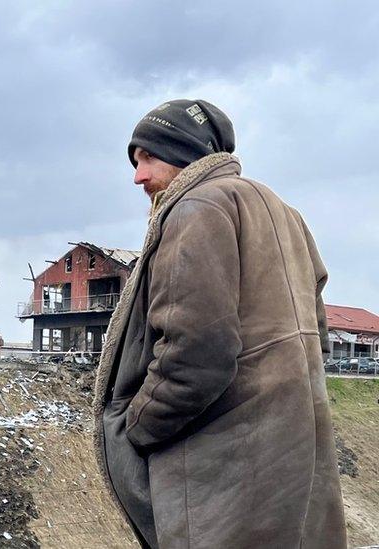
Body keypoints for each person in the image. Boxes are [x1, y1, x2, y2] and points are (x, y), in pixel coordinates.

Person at [94, 100, 345, 548]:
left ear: (183, 150)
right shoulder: (284, 213)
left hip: (223, 472)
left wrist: (137, 427)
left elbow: (195, 354)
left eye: (147, 158)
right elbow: (319, 332)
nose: (138, 177)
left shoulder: (196, 209)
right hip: (290, 460)